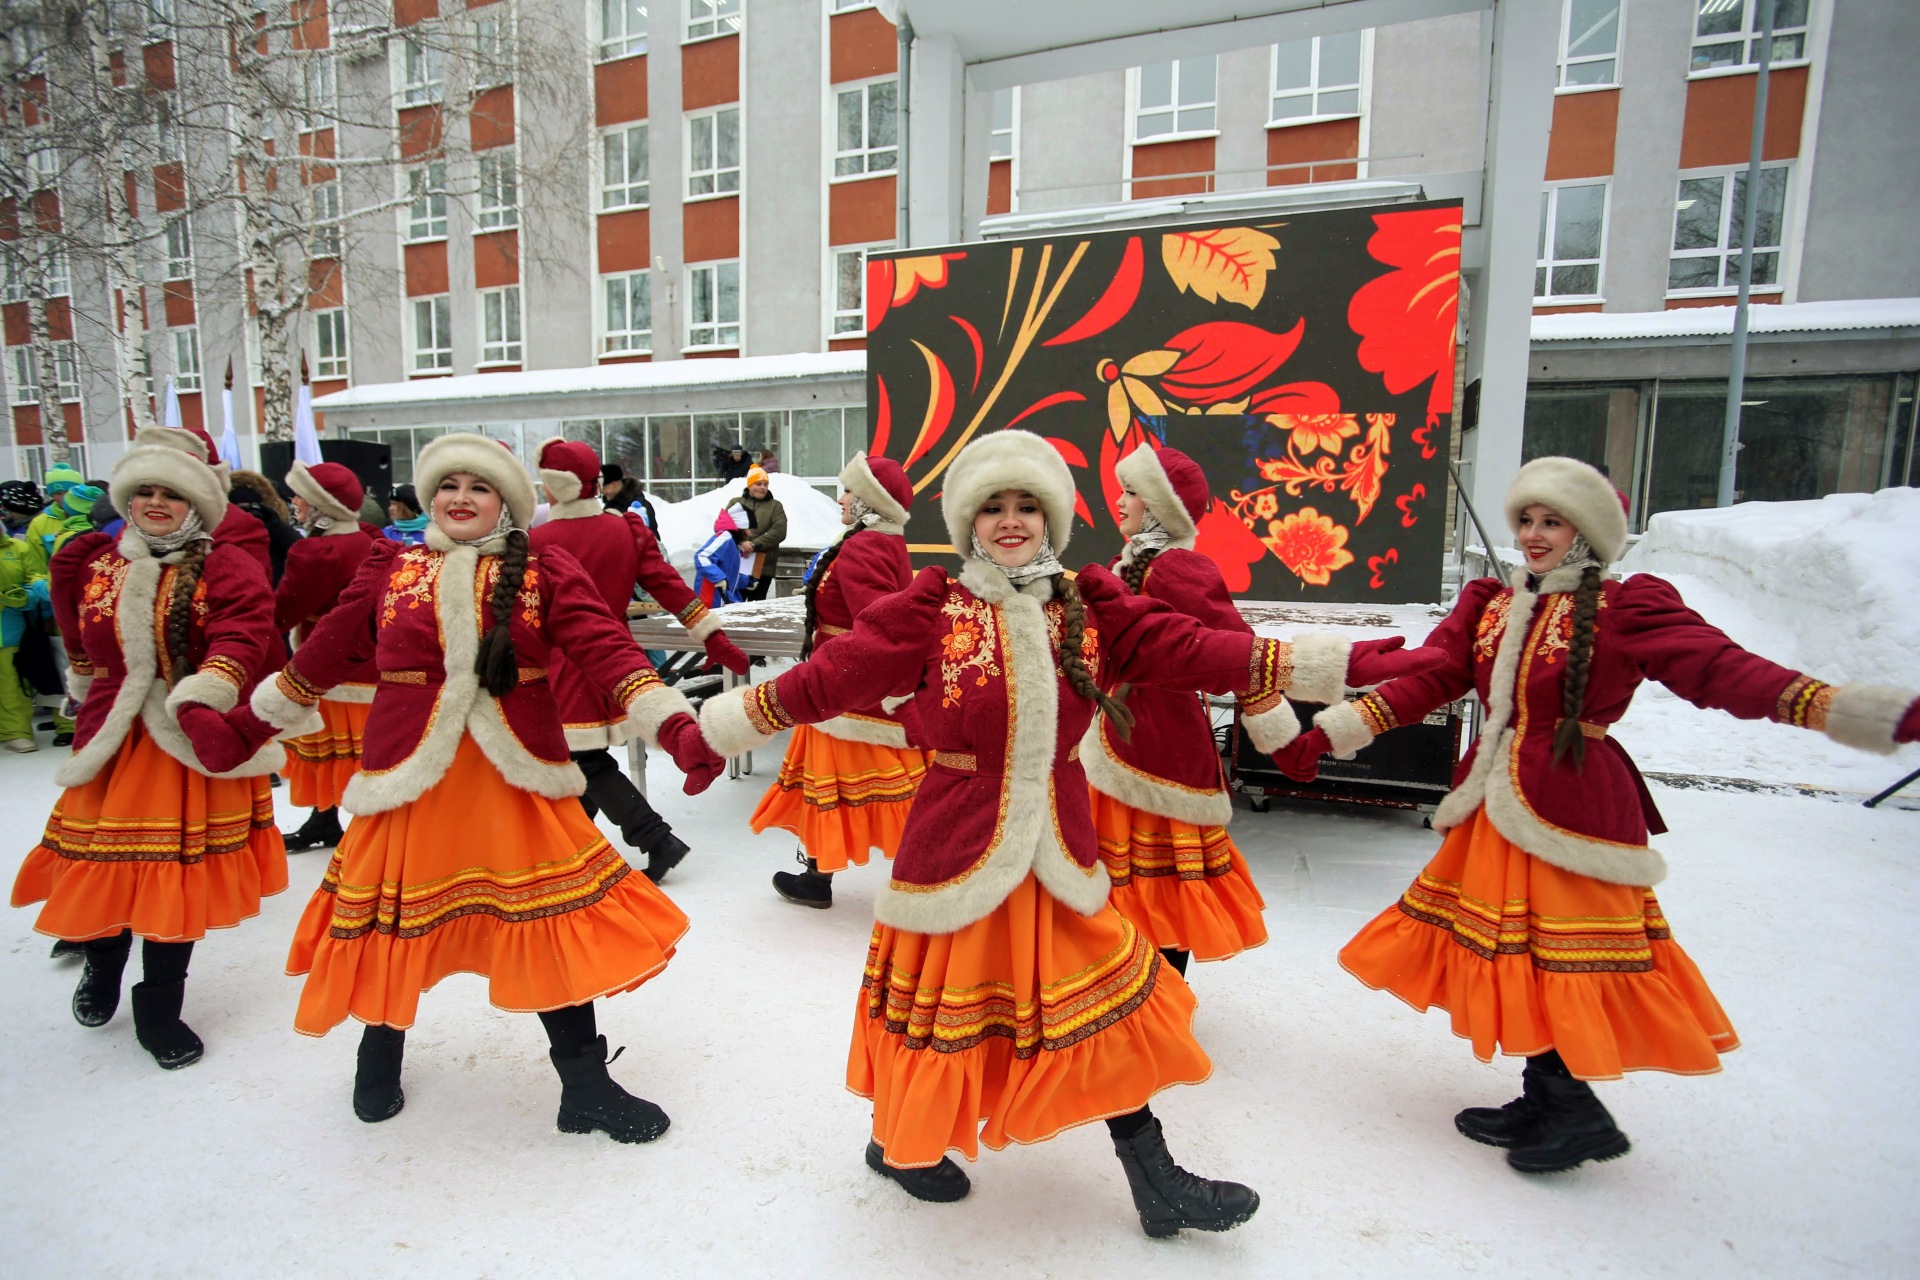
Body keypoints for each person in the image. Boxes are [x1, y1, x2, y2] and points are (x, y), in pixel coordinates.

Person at [694, 429, 1439, 1235]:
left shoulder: (1090, 608)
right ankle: (898, 1142)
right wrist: (717, 731)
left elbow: (1195, 648)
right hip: (956, 851)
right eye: (993, 508)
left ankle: (1154, 1180)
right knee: (941, 1015)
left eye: (1028, 505)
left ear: (1051, 516)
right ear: (969, 520)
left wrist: (1326, 667)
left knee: (1107, 1007)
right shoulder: (933, 609)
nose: (1011, 521)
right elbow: (823, 680)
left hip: (1059, 848)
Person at [1273, 456, 1920, 1175]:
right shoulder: (1493, 605)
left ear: (1588, 531)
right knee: (1522, 953)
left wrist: (1842, 709)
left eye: (1553, 521)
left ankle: (1576, 1111)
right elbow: (1429, 679)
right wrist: (1327, 735)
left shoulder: (1626, 608)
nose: (1534, 534)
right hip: (1495, 803)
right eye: (1527, 519)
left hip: (1573, 809)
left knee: (1568, 958)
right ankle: (1547, 1098)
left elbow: (1720, 669)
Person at [240, 432, 727, 1134]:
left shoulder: (543, 570)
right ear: (429, 495)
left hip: (514, 779)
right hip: (409, 778)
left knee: (548, 922)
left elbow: (608, 650)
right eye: (448, 485)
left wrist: (675, 726)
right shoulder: (391, 564)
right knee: (392, 923)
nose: (460, 498)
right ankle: (379, 1058)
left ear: (507, 502)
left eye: (479, 487)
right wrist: (251, 724)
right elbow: (322, 651)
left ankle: (584, 1087)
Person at [10, 426, 288, 1070]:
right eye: (146, 492)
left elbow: (244, 634)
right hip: (111, 737)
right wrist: (85, 683)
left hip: (186, 740)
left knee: (174, 877)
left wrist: (209, 689)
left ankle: (159, 1006)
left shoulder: (225, 564)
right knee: (104, 868)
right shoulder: (101, 562)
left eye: (173, 494)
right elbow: (80, 636)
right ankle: (102, 964)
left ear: (197, 502)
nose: (157, 503)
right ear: (127, 499)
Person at [1088, 444, 1323, 975]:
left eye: (1132, 492)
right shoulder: (1130, 563)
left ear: (1161, 506)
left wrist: (1279, 735)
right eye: (1123, 490)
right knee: (1126, 878)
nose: (1119, 501)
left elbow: (1235, 648)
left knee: (1161, 879)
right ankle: (1132, 987)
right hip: (1119, 735)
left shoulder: (1177, 568)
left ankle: (1161, 988)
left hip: (1159, 744)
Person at [530, 436, 750, 883]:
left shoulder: (537, 541)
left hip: (564, 667)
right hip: (618, 659)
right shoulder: (624, 530)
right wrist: (709, 634)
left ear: (553, 485)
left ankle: (655, 839)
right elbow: (667, 584)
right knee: (579, 759)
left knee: (582, 760)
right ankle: (571, 850)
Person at [749, 452, 929, 909]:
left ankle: (929, 873)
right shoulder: (875, 541)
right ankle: (819, 877)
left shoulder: (864, 546)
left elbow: (876, 623)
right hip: (843, 684)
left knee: (876, 790)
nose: (841, 499)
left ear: (870, 499)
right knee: (845, 786)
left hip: (846, 690)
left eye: (850, 491)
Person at [275, 461, 384, 853]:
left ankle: (345, 825)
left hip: (328, 665)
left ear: (321, 505)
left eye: (300, 497)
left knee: (335, 753)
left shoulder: (318, 551)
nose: (294, 503)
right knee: (361, 753)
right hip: (369, 664)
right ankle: (328, 821)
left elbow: (284, 611)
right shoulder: (368, 541)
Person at [0, 520, 51, 752]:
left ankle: (16, 732)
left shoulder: (18, 548)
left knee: (13, 683)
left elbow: (34, 578)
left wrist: (25, 597)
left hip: (11, 628)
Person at [228, 470, 301, 584]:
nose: (248, 515)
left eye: (252, 509)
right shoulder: (220, 536)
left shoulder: (275, 528)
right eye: (240, 509)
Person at [737, 467, 787, 601]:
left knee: (757, 604)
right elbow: (725, 527)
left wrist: (754, 544)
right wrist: (741, 543)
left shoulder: (775, 506)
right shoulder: (737, 503)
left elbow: (779, 531)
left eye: (765, 484)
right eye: (758, 484)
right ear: (750, 485)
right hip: (738, 563)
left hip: (763, 565)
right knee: (734, 604)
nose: (763, 487)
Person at [694, 506, 750, 607]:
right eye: (748, 529)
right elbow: (702, 556)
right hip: (710, 600)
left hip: (721, 599)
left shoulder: (733, 543)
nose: (750, 533)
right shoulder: (724, 537)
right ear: (742, 527)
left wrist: (747, 581)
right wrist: (718, 578)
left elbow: (728, 573)